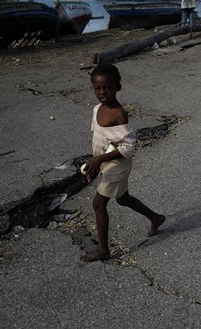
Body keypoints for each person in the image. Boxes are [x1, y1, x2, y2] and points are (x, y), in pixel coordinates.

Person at [81, 64, 166, 262]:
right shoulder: (96, 110)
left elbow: (128, 147)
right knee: (123, 198)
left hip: (118, 165)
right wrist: (95, 164)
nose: (102, 92)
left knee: (98, 204)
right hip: (106, 162)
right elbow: (101, 140)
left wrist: (99, 160)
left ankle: (103, 250)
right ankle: (156, 218)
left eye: (107, 87)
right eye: (97, 88)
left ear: (118, 87)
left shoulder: (119, 113)